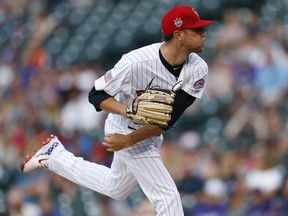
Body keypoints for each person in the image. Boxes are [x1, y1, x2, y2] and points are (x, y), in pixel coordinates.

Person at [21, 5, 213, 216]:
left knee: (116, 188)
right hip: (123, 128)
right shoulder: (135, 62)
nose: (204, 34)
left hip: (144, 135)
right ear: (179, 35)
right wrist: (129, 113)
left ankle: (55, 156)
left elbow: (167, 120)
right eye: (197, 30)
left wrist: (130, 140)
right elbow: (96, 94)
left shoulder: (198, 69)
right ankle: (55, 156)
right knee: (168, 199)